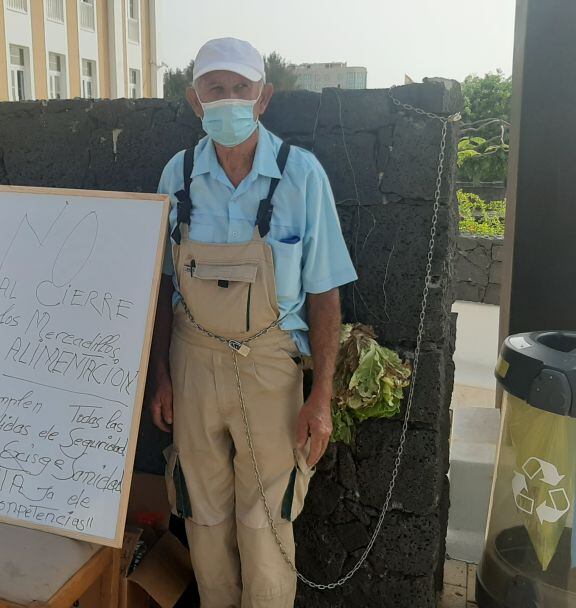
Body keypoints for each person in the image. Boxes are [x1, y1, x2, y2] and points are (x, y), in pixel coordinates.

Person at [148, 38, 358, 608]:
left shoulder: (301, 176)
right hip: (191, 365)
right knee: (203, 513)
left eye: (241, 88)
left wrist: (321, 396)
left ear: (263, 98)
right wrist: (162, 376)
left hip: (270, 370)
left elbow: (325, 295)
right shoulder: (178, 174)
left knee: (267, 518)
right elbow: (163, 288)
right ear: (195, 100)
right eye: (215, 89)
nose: (229, 99)